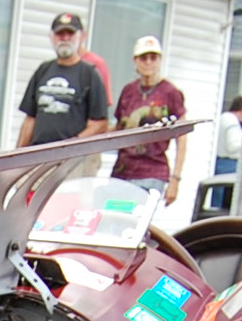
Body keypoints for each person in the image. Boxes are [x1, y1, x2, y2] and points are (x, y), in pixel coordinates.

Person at [16, 12, 109, 149]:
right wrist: (17, 155)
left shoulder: (89, 74)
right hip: (37, 155)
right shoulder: (43, 70)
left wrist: (70, 145)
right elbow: (30, 118)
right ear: (52, 37)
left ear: (81, 37)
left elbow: (100, 124)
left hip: (71, 159)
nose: (65, 38)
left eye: (70, 34)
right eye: (60, 34)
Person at [111, 36, 187, 196]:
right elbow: (118, 128)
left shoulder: (170, 92)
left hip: (153, 171)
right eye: (143, 58)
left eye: (153, 58)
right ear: (135, 61)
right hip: (123, 171)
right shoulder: (128, 91)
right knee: (117, 218)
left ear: (159, 61)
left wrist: (175, 179)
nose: (148, 62)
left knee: (139, 218)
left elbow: (182, 136)